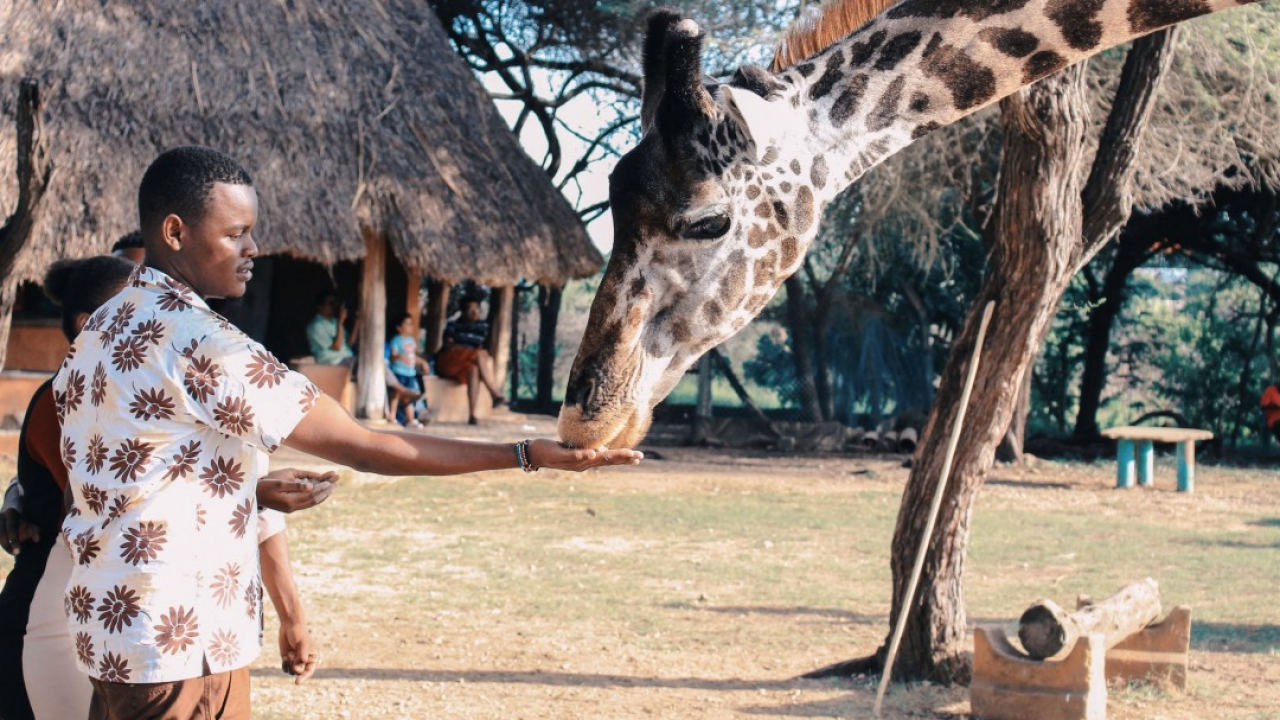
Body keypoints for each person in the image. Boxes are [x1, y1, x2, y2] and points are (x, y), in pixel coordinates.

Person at [53, 145, 640, 720]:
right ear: (175, 232)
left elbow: (138, 472)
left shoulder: (103, 327)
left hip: (113, 625)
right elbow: (367, 446)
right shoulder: (199, 341)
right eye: (236, 233)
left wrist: (247, 492)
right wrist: (524, 453)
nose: (253, 248)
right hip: (181, 638)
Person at [0, 255, 334, 720]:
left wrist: (293, 614)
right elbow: (120, 498)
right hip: (61, 621)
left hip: (163, 627)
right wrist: (252, 492)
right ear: (89, 324)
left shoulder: (185, 382)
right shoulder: (76, 397)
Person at [434, 296, 506, 425]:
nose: (474, 312)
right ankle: (493, 392)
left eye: (477, 308)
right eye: (470, 309)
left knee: (473, 370)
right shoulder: (453, 325)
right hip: (449, 362)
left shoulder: (482, 327)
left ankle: (472, 415)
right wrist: (469, 351)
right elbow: (449, 346)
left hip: (466, 364)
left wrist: (470, 351)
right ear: (462, 311)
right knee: (479, 354)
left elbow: (481, 346)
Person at [387, 313, 427, 428]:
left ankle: (410, 419)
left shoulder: (411, 340)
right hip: (399, 372)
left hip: (410, 373)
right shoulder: (396, 340)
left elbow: (413, 356)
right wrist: (399, 356)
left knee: (409, 397)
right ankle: (392, 417)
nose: (411, 326)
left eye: (411, 324)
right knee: (396, 394)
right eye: (407, 324)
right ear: (399, 328)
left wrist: (422, 363)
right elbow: (393, 357)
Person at [306, 289, 357, 367]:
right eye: (331, 303)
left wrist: (357, 321)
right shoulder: (316, 326)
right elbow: (336, 347)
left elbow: (349, 343)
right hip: (334, 362)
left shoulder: (335, 322)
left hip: (348, 358)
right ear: (320, 306)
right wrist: (340, 323)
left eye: (335, 303)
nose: (334, 306)